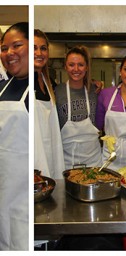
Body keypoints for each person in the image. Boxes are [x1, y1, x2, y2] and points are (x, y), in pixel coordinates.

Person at [0, 22, 28, 250]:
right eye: (4, 48)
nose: (9, 53)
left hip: (25, 197)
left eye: (17, 45)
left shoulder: (35, 89)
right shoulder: (2, 87)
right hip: (3, 190)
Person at [55, 45, 102, 169]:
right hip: (67, 163)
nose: (76, 69)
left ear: (86, 67)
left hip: (94, 161)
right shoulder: (56, 92)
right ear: (65, 67)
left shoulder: (95, 91)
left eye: (80, 65)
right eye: (71, 65)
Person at [34, 29, 65, 178]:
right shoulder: (20, 81)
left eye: (43, 48)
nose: (39, 53)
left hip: (51, 154)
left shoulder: (49, 82)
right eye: (33, 48)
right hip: (32, 158)